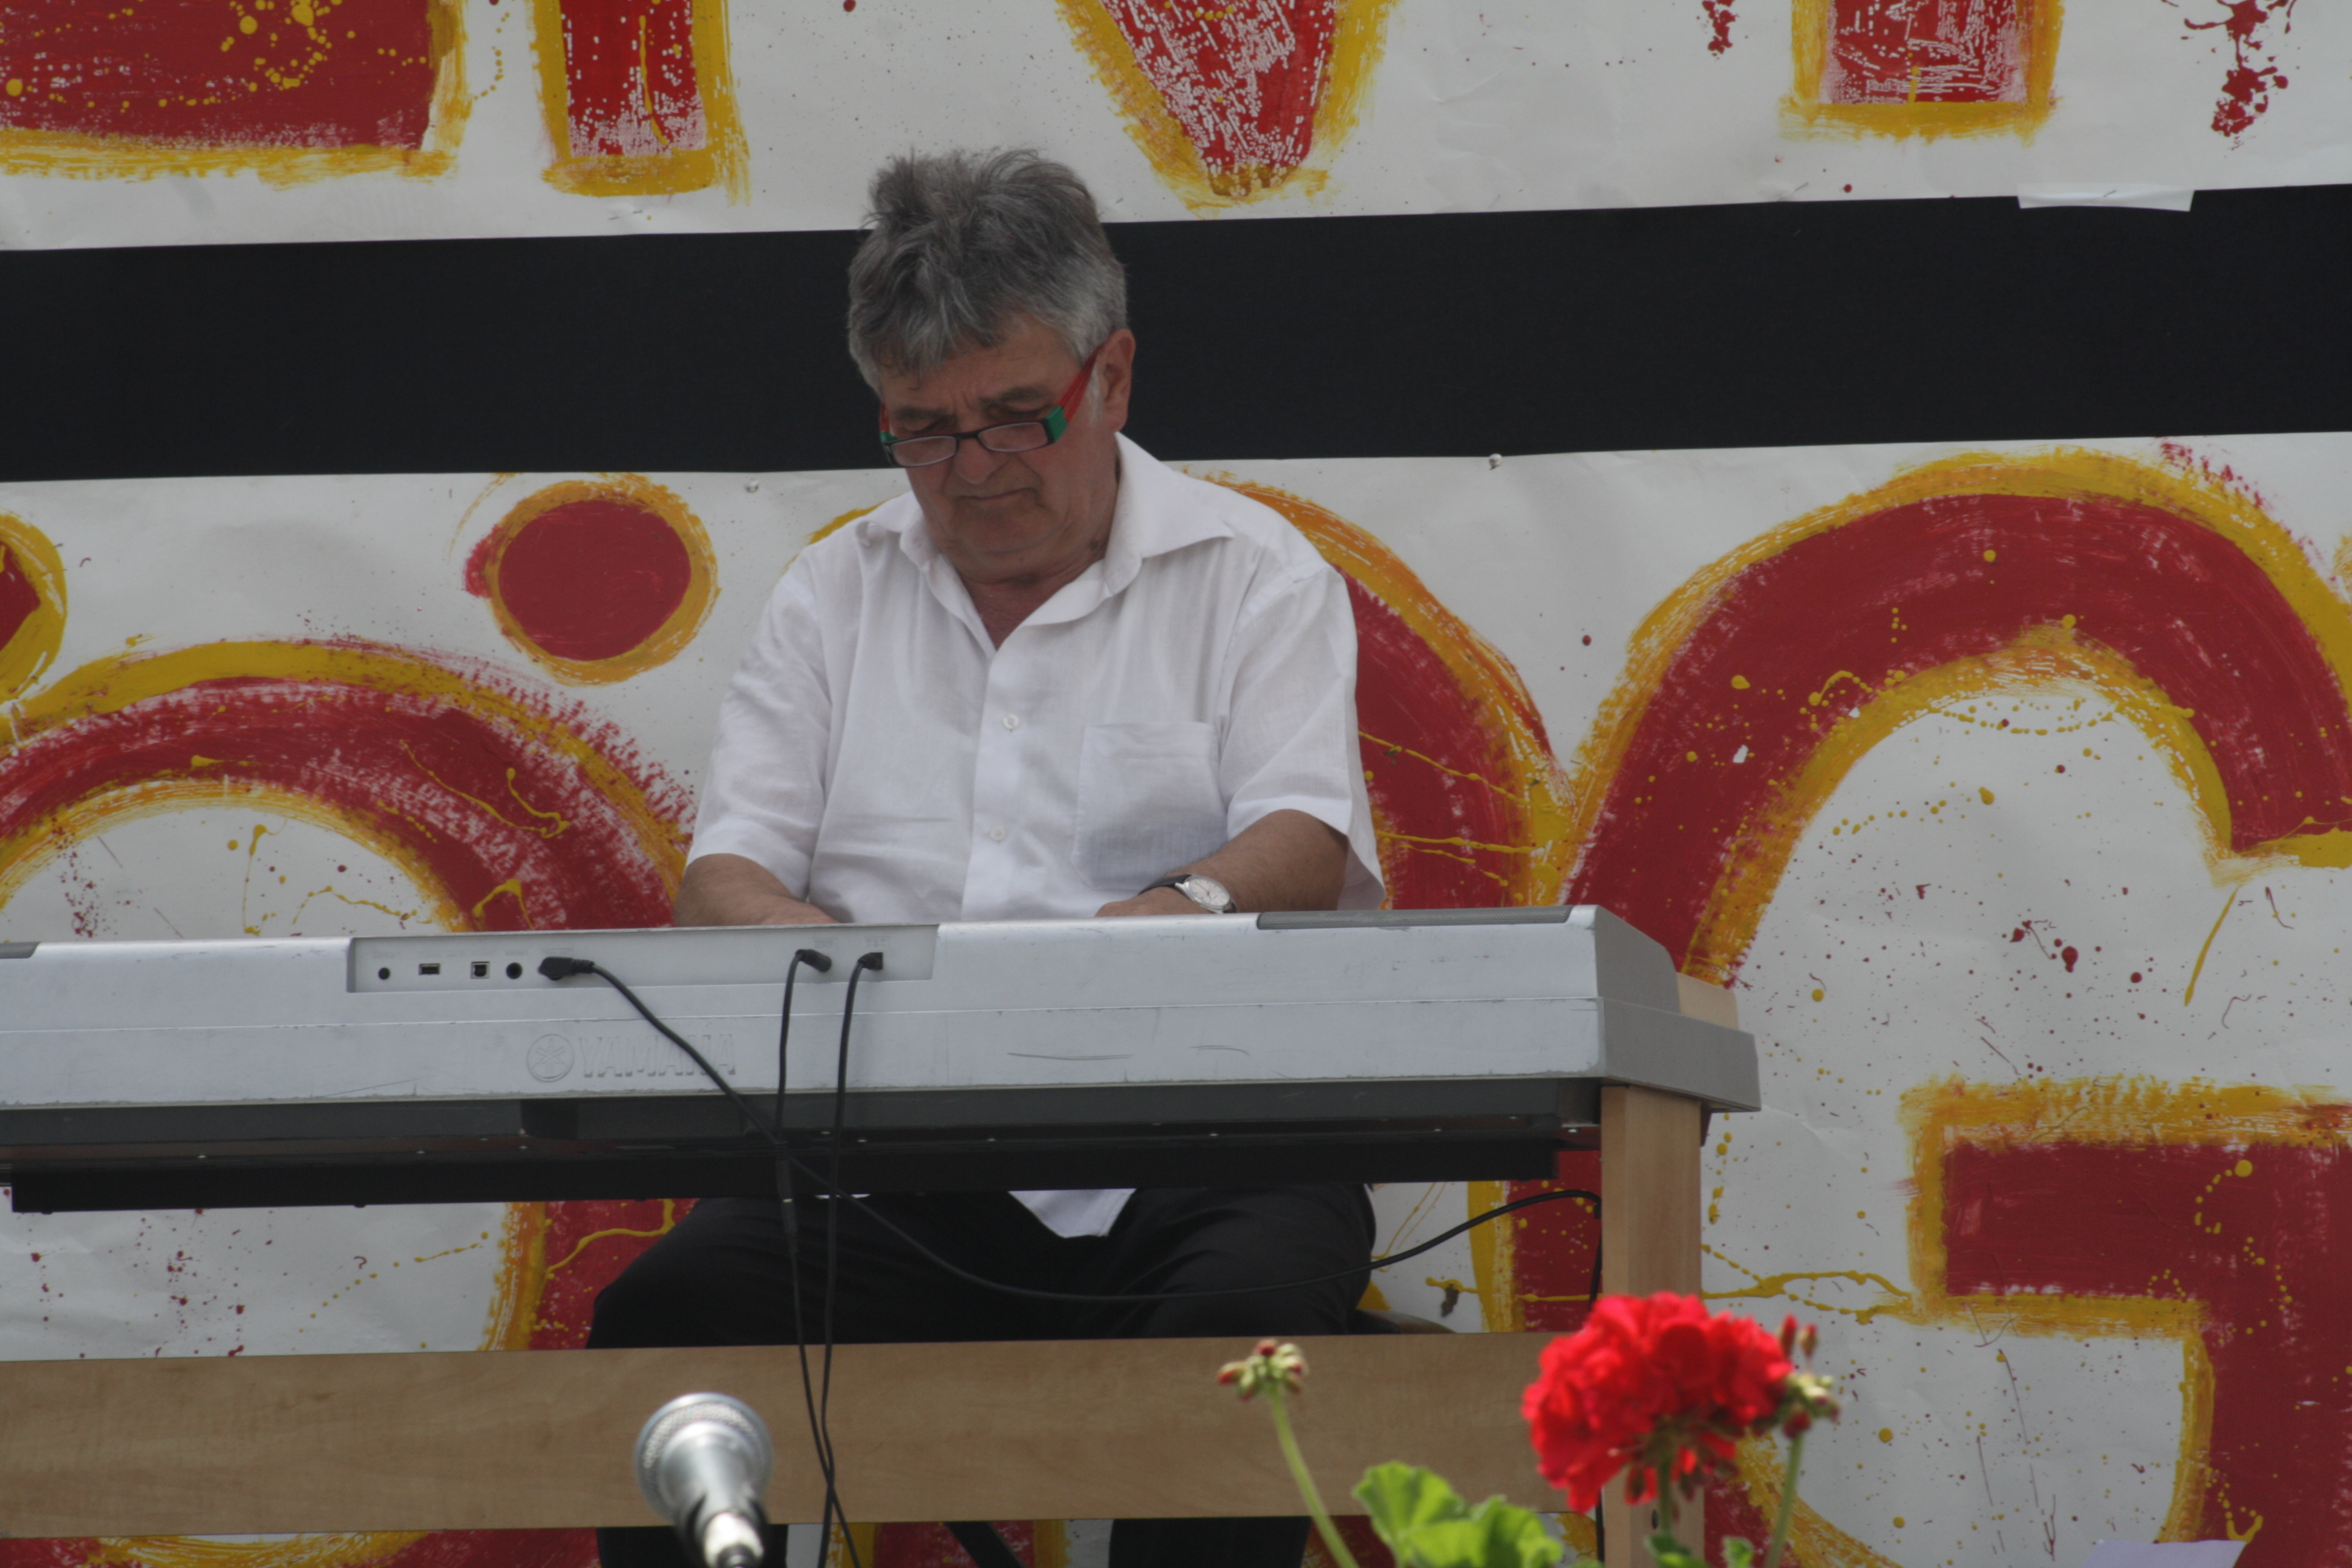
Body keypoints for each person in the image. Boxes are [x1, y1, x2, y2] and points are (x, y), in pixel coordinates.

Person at [588, 148, 1385, 1568]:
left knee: (1240, 1337)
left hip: (1209, 1159)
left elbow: (1304, 837)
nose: (975, 471)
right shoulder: (832, 595)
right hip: (888, 1179)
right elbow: (724, 878)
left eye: (1018, 416)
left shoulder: (1255, 575)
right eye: (925, 429)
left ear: (1113, 375)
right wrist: (802, 939)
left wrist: (1178, 908)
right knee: (669, 1323)